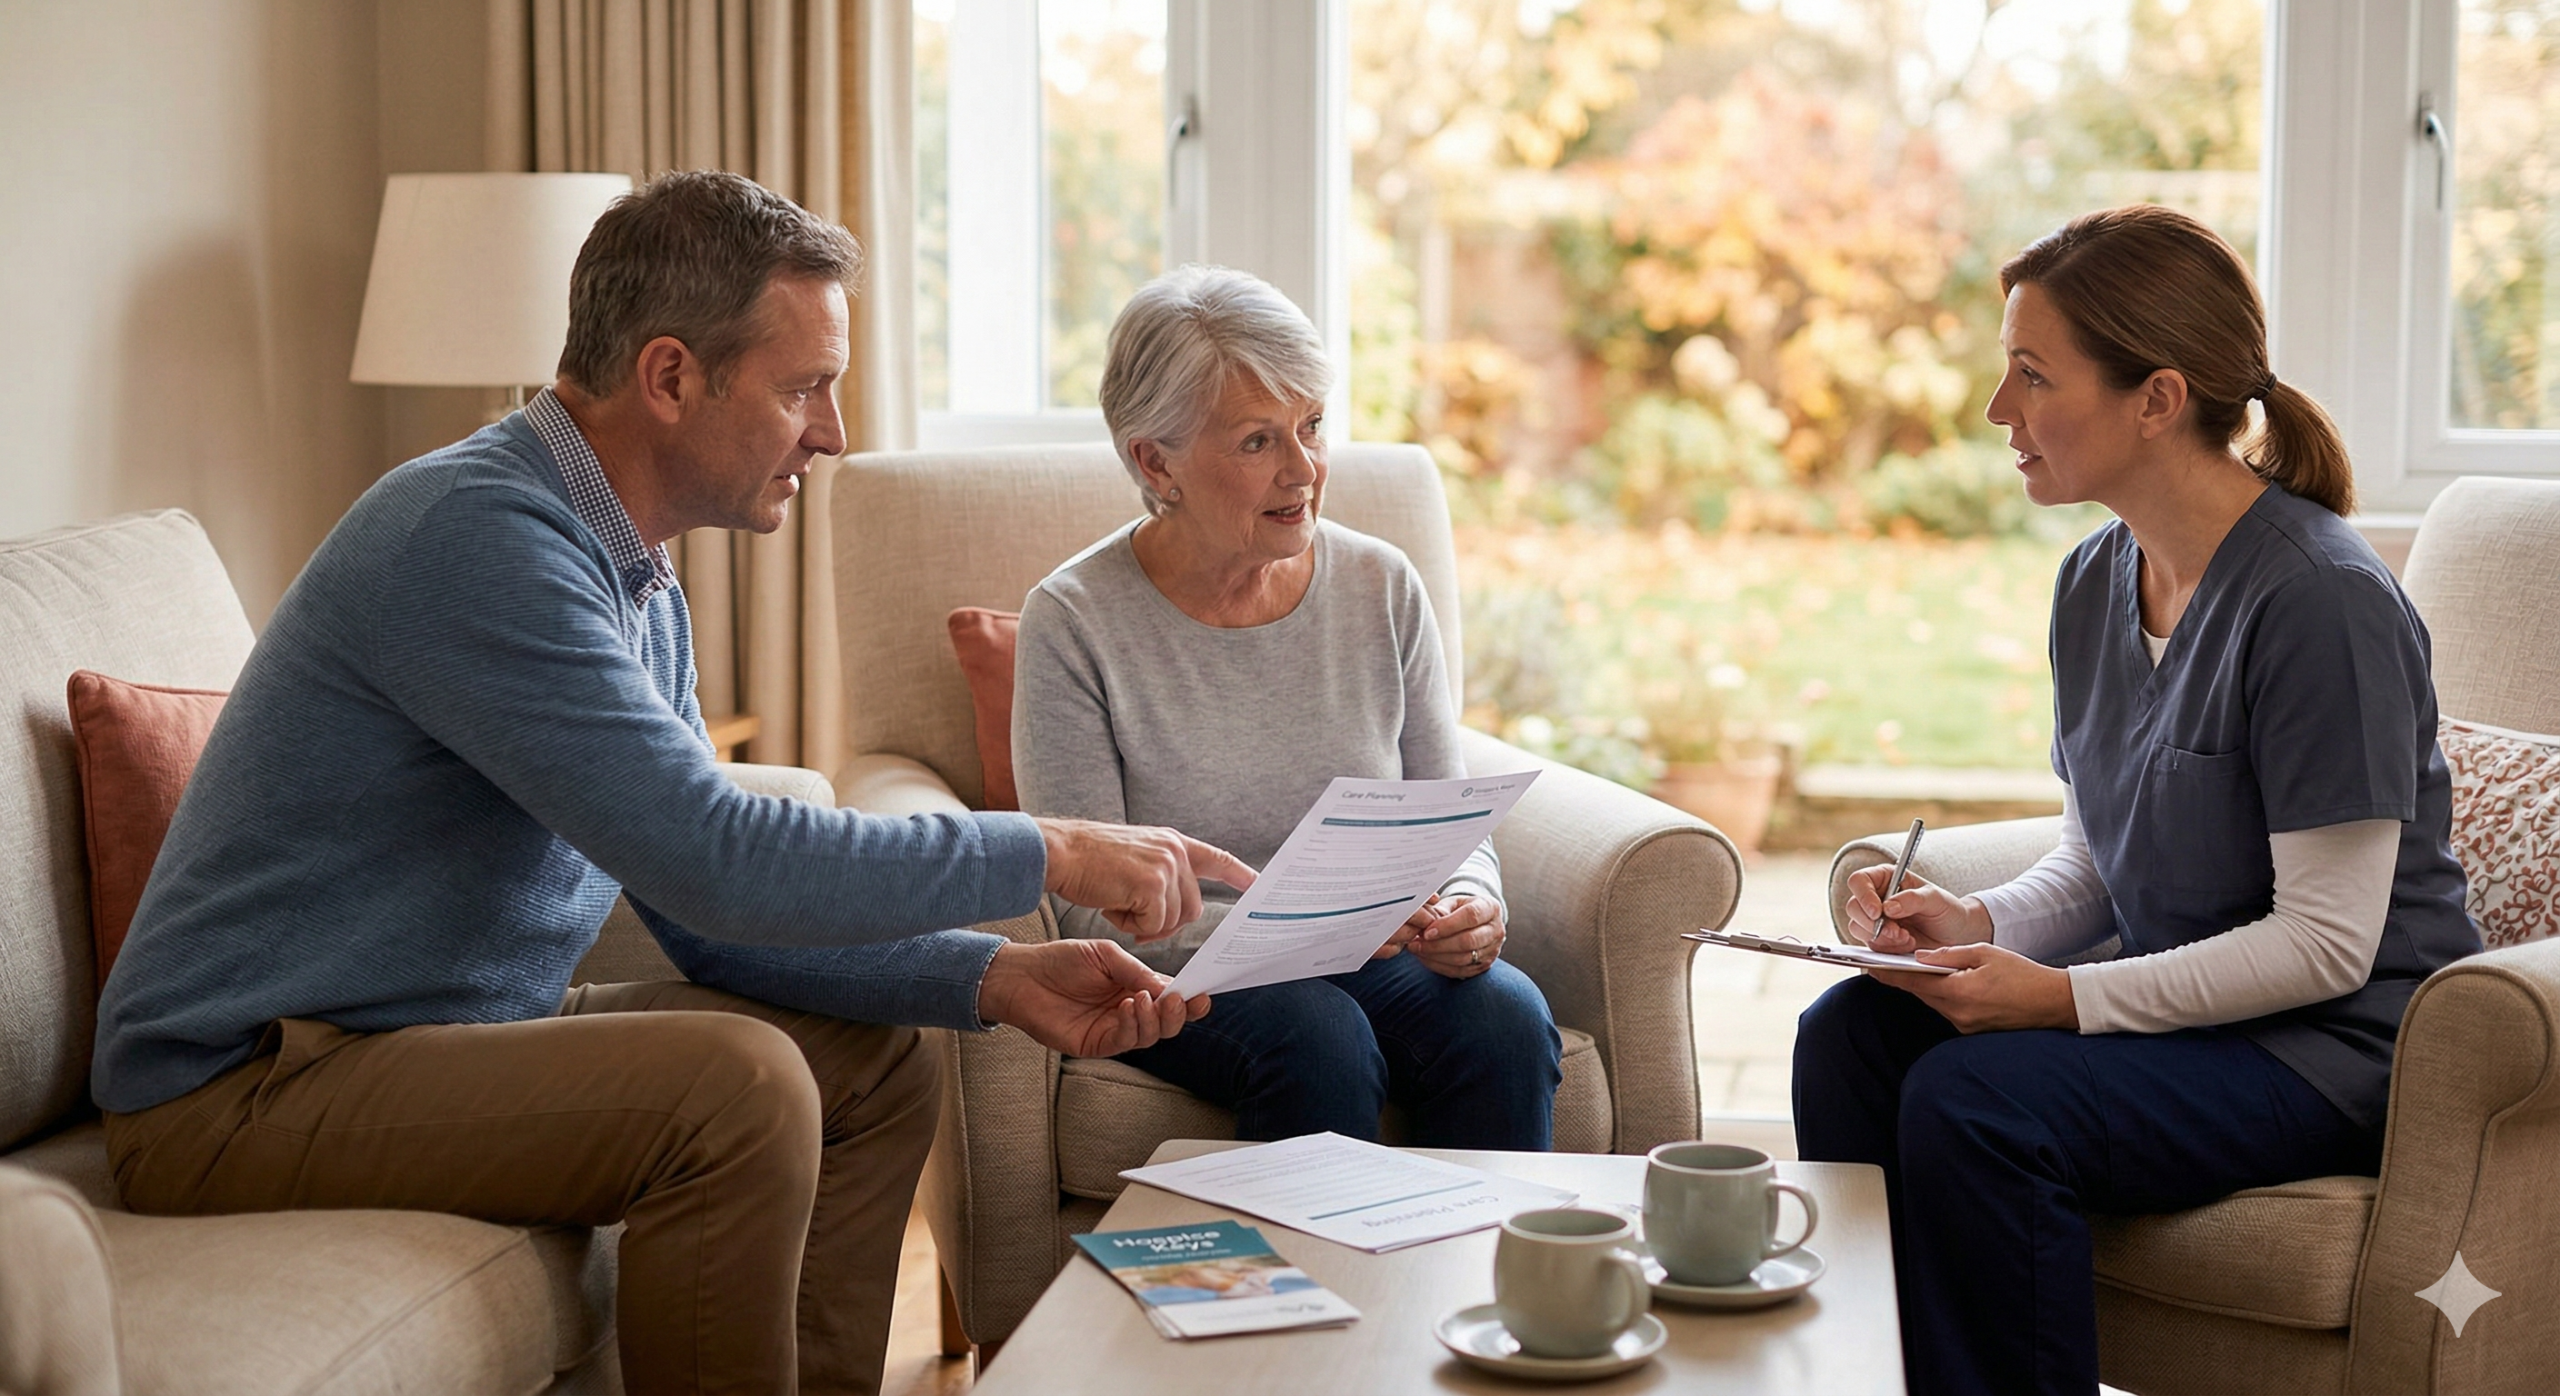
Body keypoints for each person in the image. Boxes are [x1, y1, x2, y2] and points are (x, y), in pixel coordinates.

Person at [90, 170, 1250, 1396]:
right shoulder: (474, 538)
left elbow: (707, 919)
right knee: (733, 1086)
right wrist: (1052, 850)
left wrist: (994, 975)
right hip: (243, 1089)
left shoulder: (631, 577)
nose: (834, 430)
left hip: (429, 1035)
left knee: (874, 1060)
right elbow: (719, 853)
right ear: (668, 376)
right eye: (804, 385)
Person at [1791, 205, 2480, 1396]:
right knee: (1846, 1038)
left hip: (2337, 1051)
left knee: (1978, 1100)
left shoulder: (2322, 602)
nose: (1996, 413)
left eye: (2030, 375)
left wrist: (2057, 1000)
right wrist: (1978, 929)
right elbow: (2100, 860)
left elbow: (2326, 946)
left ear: (2155, 397)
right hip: (2201, 1027)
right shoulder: (2091, 578)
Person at [1012, 265, 1563, 1148]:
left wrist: (1467, 901)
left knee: (1502, 1015)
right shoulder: (1073, 619)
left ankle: (1480, 1281)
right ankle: (1312, 1286)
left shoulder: (1382, 584)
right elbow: (1084, 902)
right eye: (1258, 442)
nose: (1304, 468)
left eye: (1310, 426)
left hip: (1373, 953)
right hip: (1186, 968)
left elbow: (1451, 821)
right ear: (1156, 460)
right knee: (1318, 1038)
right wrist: (1295, 935)